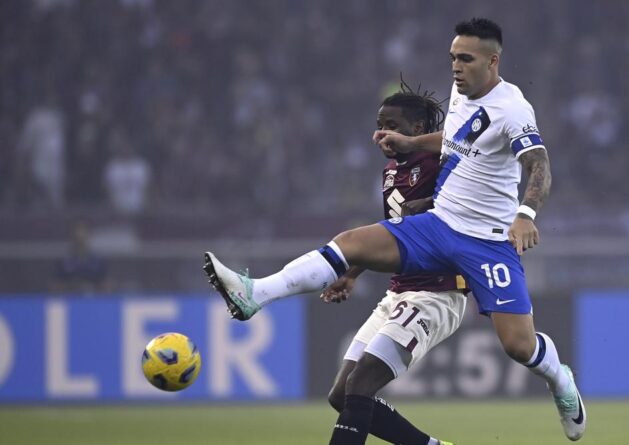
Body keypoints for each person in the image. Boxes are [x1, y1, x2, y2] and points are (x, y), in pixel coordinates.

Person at [204, 18, 586, 444]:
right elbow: (456, 138)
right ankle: (256, 293)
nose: (456, 67)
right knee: (351, 245)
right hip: (440, 224)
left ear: (493, 61)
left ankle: (560, 378)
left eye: (466, 59)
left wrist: (526, 214)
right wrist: (413, 144)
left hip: (488, 242)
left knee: (519, 346)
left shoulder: (512, 108)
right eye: (453, 58)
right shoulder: (461, 92)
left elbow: (539, 164)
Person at [322, 80, 463, 445]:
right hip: (399, 292)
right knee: (342, 394)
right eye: (379, 125)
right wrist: (353, 273)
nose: (382, 134)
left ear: (417, 129)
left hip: (437, 294)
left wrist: (433, 203)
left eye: (392, 125)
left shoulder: (440, 161)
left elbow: (469, 174)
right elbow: (395, 235)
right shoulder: (390, 173)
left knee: (361, 383)